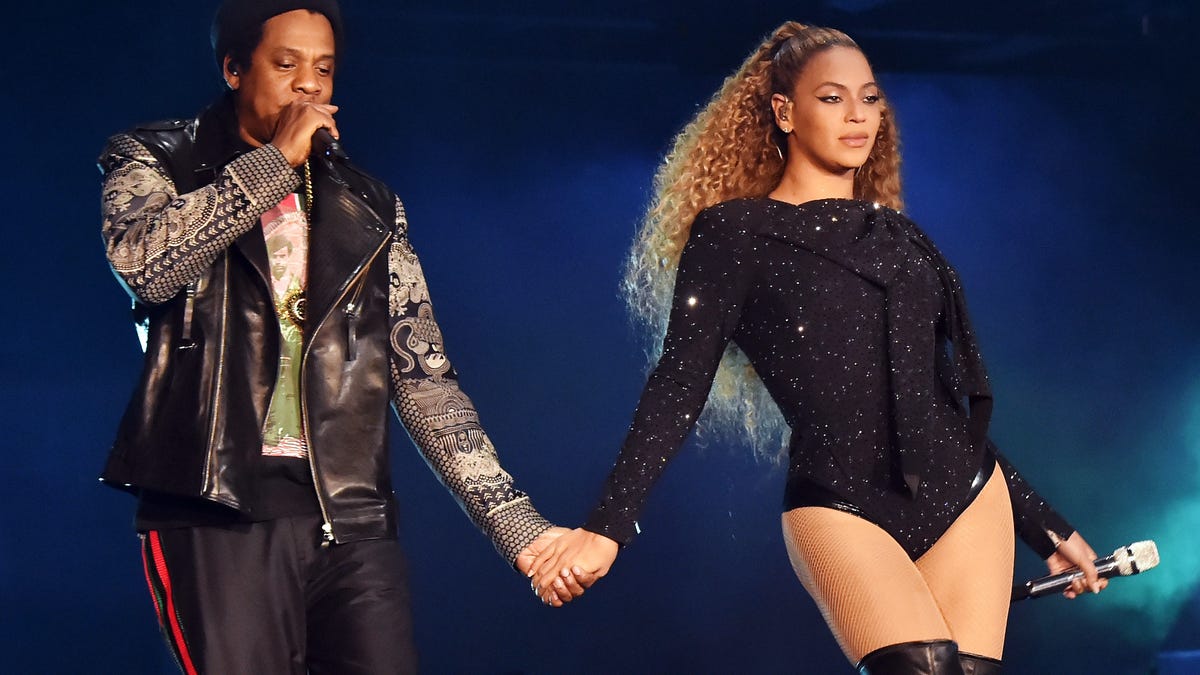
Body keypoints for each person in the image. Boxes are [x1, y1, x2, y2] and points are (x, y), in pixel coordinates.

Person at [530, 22, 1105, 674]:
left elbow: (939, 403)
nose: (858, 115)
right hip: (840, 503)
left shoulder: (903, 240)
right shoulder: (734, 234)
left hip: (968, 498)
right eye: (832, 98)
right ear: (784, 112)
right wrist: (607, 525)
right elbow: (679, 382)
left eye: (869, 98)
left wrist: (1044, 526)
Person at [98, 1, 586, 672]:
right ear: (234, 69)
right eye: (286, 64)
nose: (308, 84)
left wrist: (519, 530)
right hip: (215, 509)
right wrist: (273, 162)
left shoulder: (371, 205)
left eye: (323, 70)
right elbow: (146, 266)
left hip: (351, 518)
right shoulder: (154, 157)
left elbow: (424, 379)